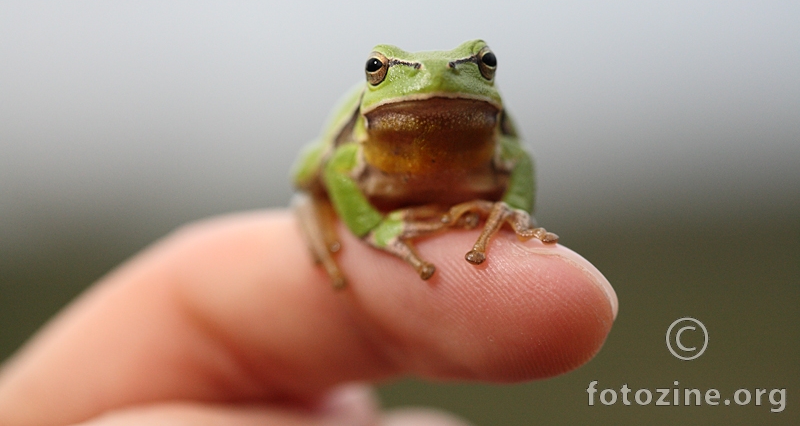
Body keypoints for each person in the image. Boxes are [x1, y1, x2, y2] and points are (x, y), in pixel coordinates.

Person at [0, 210, 617, 425]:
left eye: (483, 66)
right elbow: (326, 171)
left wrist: (511, 209)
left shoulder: (493, 134)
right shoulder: (358, 134)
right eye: (380, 70)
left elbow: (515, 159)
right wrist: (371, 230)